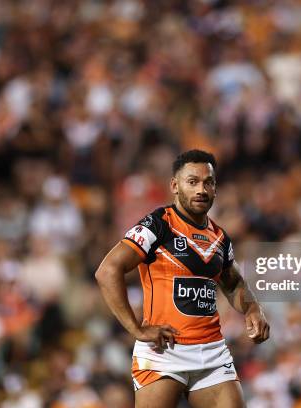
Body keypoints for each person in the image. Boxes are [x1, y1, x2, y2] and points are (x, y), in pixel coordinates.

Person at [95, 149, 270, 408]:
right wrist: (136, 329)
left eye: (208, 182)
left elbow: (232, 283)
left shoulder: (220, 238)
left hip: (212, 352)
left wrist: (252, 308)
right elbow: (107, 270)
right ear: (175, 186)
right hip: (164, 352)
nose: (201, 189)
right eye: (193, 182)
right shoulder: (158, 225)